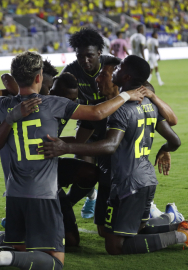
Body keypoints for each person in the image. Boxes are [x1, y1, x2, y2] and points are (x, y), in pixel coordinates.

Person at [0, 51, 145, 270]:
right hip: (43, 194)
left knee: (21, 250)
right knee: (54, 262)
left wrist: (10, 101)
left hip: (14, 193)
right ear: (38, 78)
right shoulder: (52, 103)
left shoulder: (4, 104)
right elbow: (98, 112)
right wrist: (128, 95)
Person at [40, 55, 188, 255]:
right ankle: (180, 225)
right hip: (144, 178)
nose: (100, 78)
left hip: (126, 182)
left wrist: (66, 148)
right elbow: (175, 140)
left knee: (114, 246)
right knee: (129, 230)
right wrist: (164, 149)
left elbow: (109, 146)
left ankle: (183, 235)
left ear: (126, 76)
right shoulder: (148, 104)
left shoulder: (119, 109)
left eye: (116, 69)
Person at [60, 27, 121, 218]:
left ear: (99, 53)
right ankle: (88, 197)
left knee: (117, 173)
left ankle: (143, 205)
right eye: (80, 56)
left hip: (115, 127)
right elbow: (56, 94)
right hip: (88, 126)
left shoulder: (113, 67)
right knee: (86, 169)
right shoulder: (71, 71)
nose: (85, 61)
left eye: (90, 56)